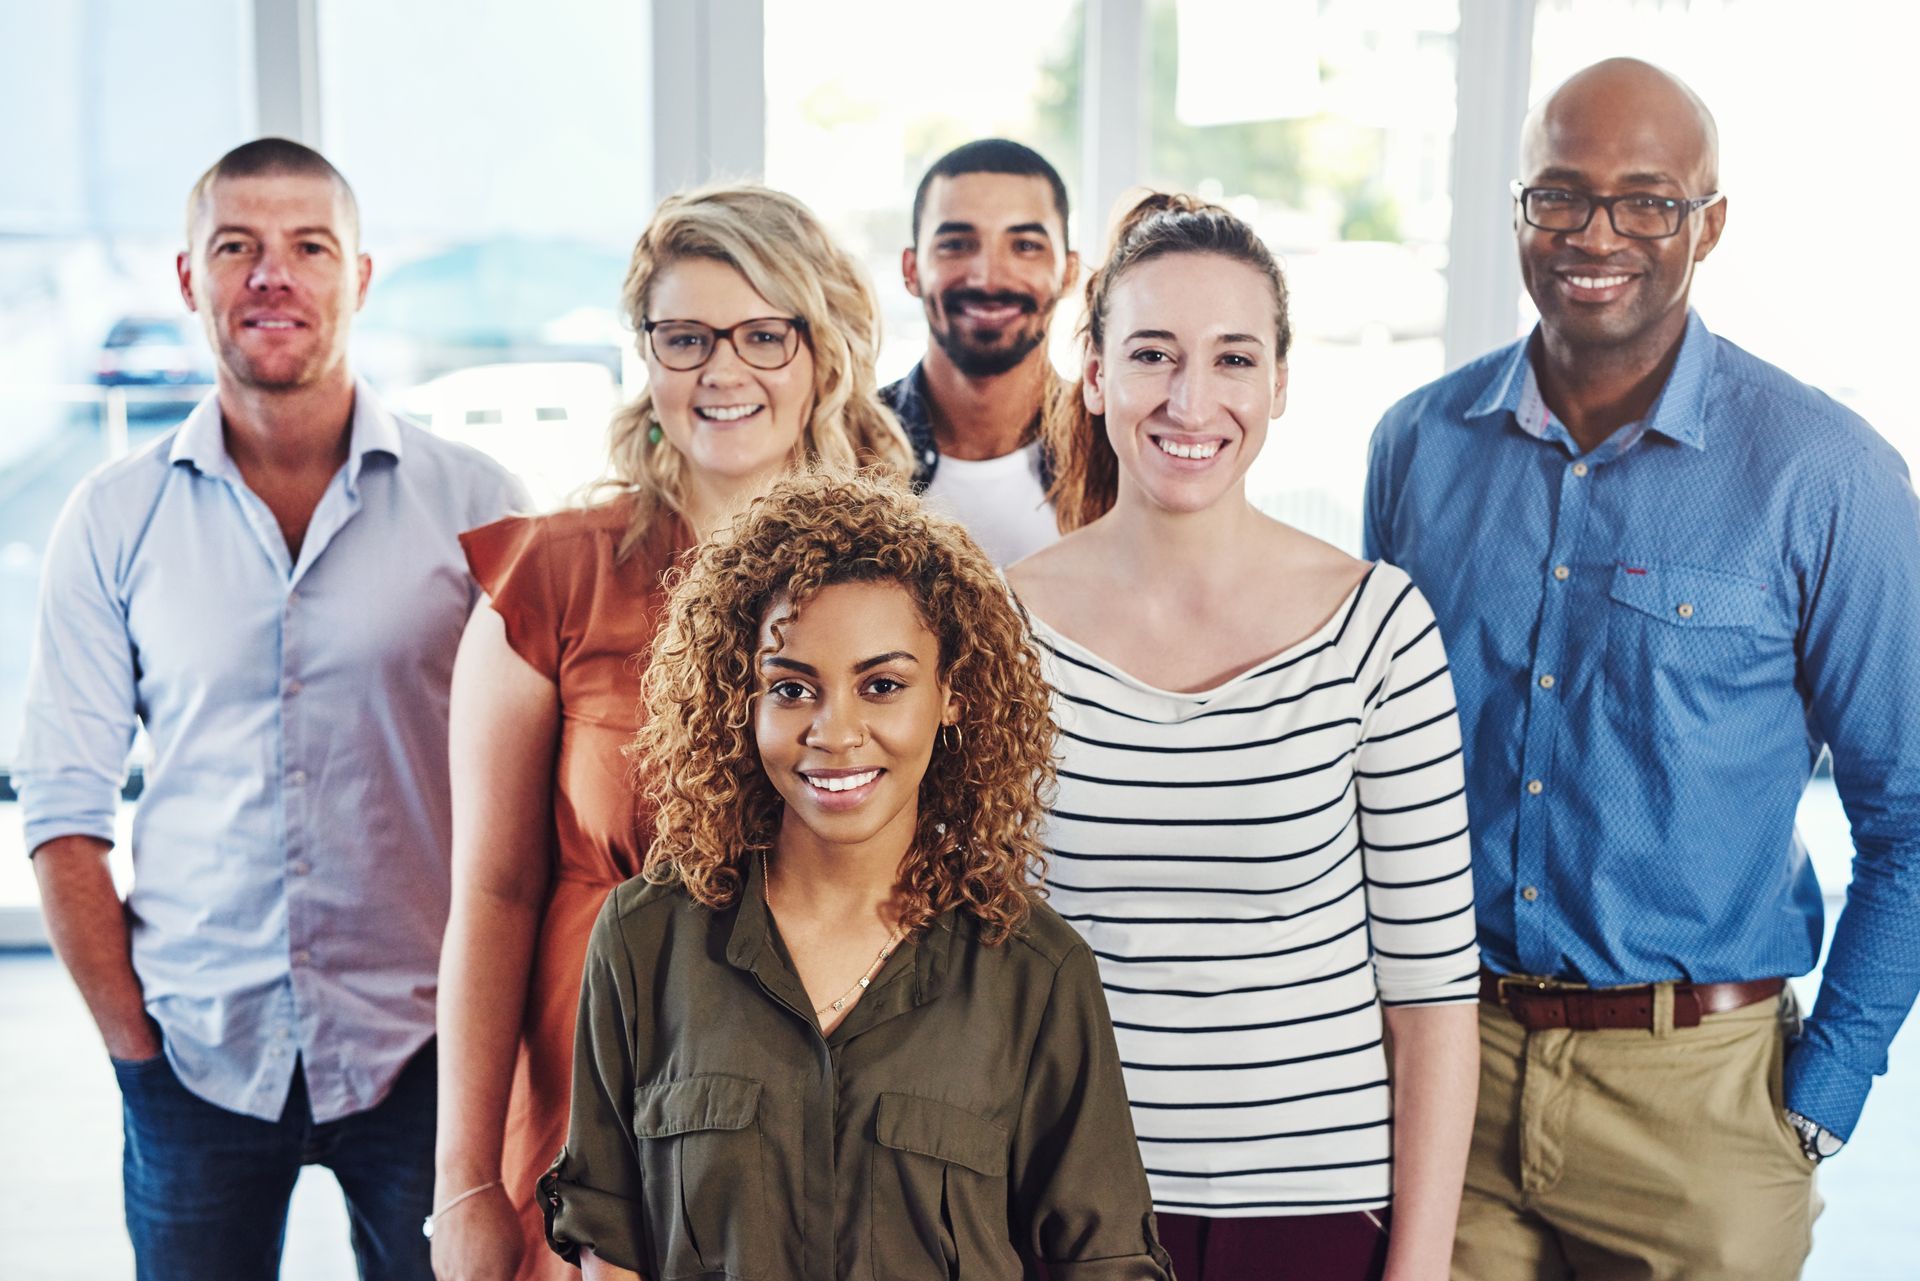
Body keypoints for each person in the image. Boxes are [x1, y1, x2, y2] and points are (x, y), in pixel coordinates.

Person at [1364, 57, 1920, 1281]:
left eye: (1648, 201)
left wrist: (1824, 1089)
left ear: (1709, 224)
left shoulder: (1828, 477)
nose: (1597, 234)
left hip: (1700, 1104)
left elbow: (1910, 816)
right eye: (1559, 196)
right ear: (1518, 210)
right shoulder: (1416, 448)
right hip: (1449, 1065)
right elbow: (1371, 767)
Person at [15, 138, 526, 1281]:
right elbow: (61, 805)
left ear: (361, 276)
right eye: (236, 247)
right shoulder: (111, 519)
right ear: (190, 281)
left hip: (429, 1052)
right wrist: (131, 1047)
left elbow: (536, 795)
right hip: (195, 1054)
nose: (272, 276)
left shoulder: (480, 506)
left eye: (309, 247)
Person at [429, 186, 914, 1281]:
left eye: (761, 334)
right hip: (584, 1095)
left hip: (823, 1098)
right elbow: (494, 896)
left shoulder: (904, 582)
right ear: (647, 358)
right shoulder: (549, 575)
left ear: (820, 351)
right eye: (686, 337)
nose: (722, 372)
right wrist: (460, 1180)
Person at [539, 469, 1172, 1281]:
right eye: (793, 688)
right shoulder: (645, 939)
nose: (835, 733)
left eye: (882, 685)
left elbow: (1107, 1261)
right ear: (743, 702)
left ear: (950, 694)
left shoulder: (1035, 973)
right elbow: (607, 1233)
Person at [1009, 193, 1480, 1281]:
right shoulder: (995, 625)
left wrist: (1416, 1273)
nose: (1191, 399)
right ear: (1093, 372)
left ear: (1279, 382)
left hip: (1319, 1214)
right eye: (1153, 354)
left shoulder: (1379, 628)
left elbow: (1433, 1004)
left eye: (1232, 359)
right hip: (1061, 1204)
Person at [882, 138, 1078, 564]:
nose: (988, 278)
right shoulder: (841, 447)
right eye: (956, 244)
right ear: (912, 270)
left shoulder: (1115, 453)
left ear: (1069, 272)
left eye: (1025, 246)